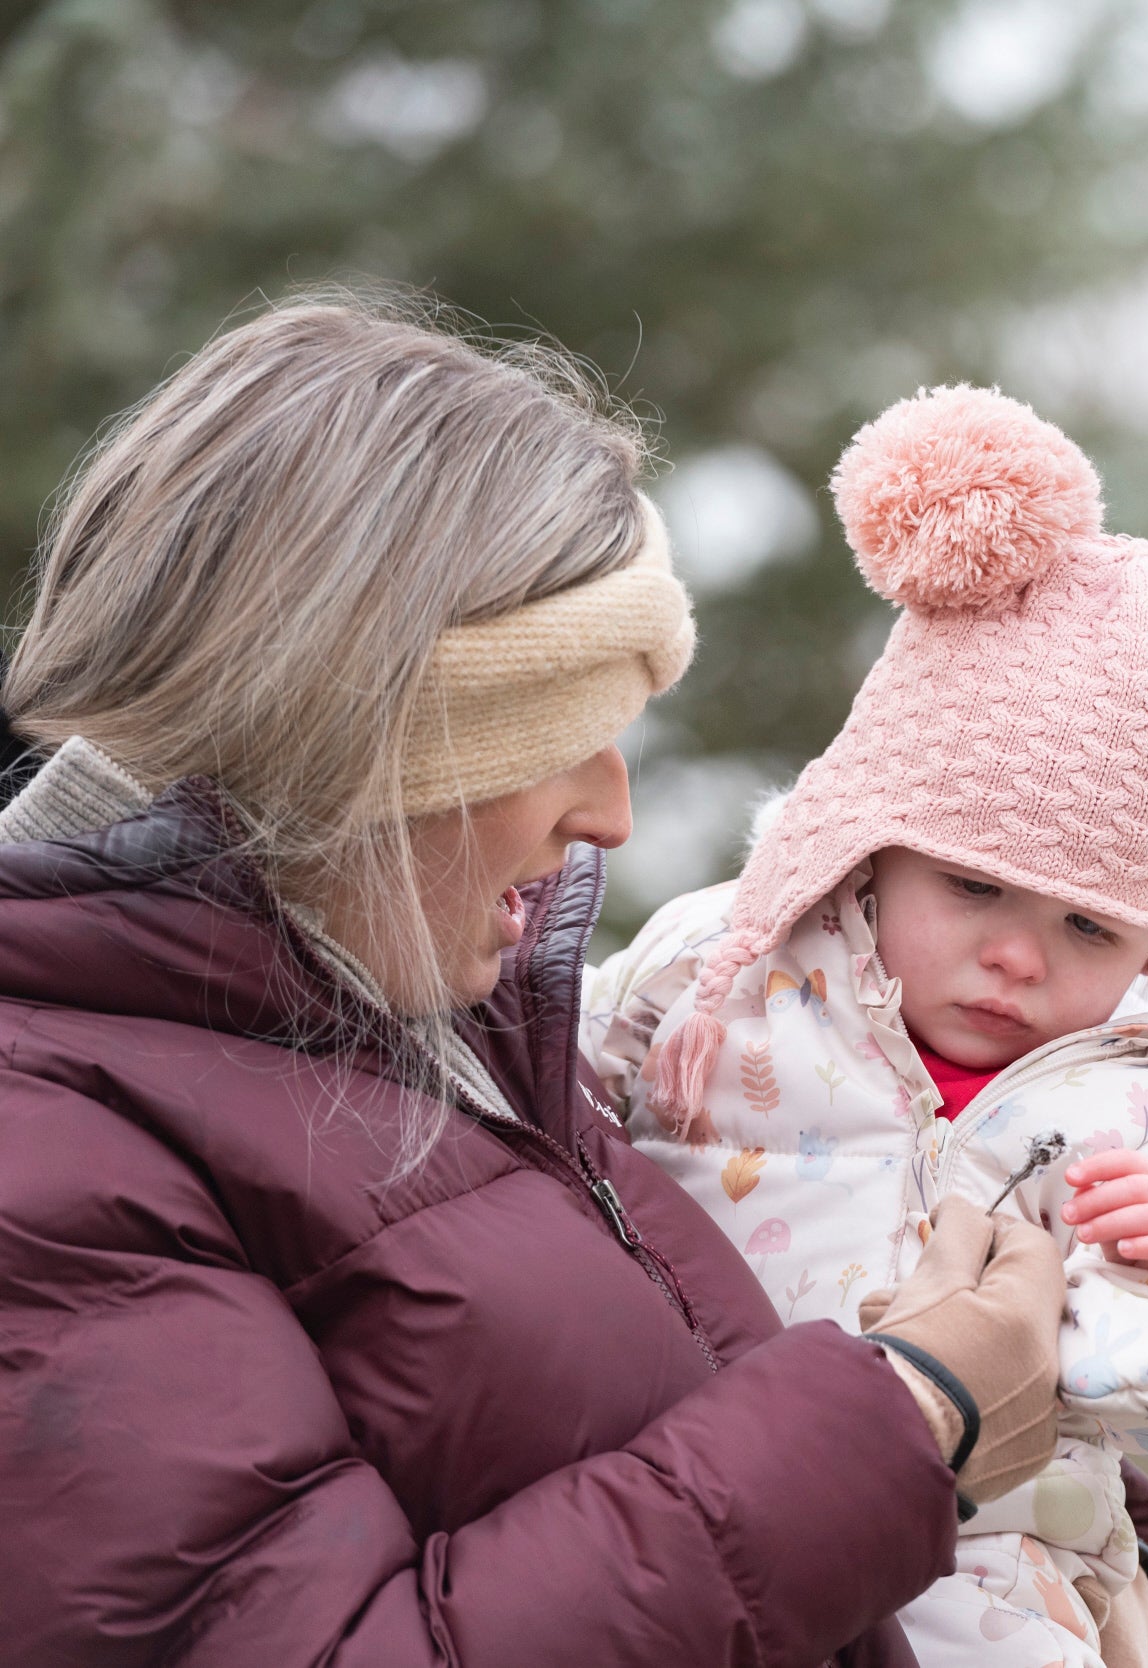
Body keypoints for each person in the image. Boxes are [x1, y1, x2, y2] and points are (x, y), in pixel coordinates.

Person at [0, 298, 1073, 1667]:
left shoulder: (454, 1034)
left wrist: (1061, 1457)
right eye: (558, 736)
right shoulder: (46, 1147)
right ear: (347, 734)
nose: (611, 816)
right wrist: (908, 1422)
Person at [583, 386, 1148, 1668]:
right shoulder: (720, 979)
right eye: (973, 885)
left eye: (1089, 931)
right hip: (680, 1515)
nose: (1015, 955)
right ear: (875, 845)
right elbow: (518, 1122)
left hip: (990, 1581)